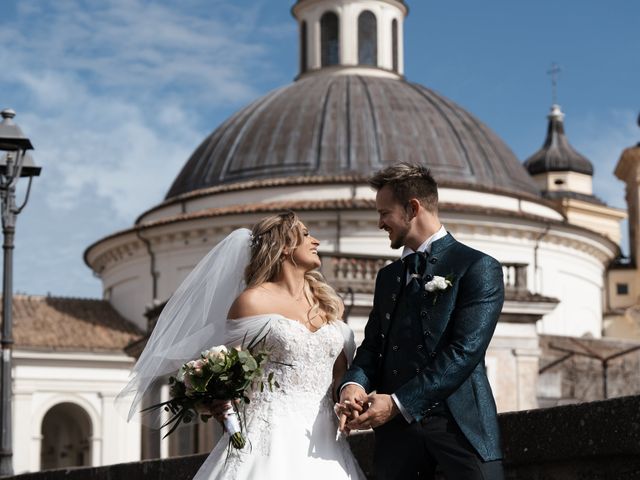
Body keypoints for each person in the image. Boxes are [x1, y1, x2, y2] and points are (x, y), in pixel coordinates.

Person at [118, 211, 365, 480]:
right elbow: (229, 371)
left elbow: (339, 375)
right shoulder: (252, 303)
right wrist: (219, 401)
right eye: (305, 234)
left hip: (326, 443)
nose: (316, 241)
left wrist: (348, 402)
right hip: (268, 439)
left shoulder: (327, 305)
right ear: (283, 247)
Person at [337, 163, 505, 479]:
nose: (379, 223)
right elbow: (373, 347)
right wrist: (353, 385)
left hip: (461, 433)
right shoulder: (387, 278)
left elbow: (464, 352)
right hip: (397, 444)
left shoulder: (478, 266)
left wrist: (398, 403)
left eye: (385, 213)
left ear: (412, 208)